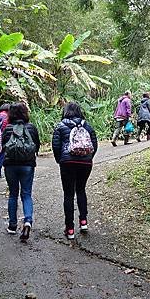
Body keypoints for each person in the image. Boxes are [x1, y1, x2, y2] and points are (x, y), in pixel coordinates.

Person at [52, 102, 98, 240]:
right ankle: (83, 222)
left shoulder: (60, 126)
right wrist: (88, 158)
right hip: (85, 163)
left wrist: (61, 160)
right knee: (81, 190)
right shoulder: (87, 126)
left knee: (68, 194)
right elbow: (94, 144)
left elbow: (56, 145)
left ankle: (70, 229)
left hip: (67, 163)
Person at [1, 102, 40, 242]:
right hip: (27, 166)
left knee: (12, 194)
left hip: (10, 165)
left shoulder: (8, 129)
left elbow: (3, 146)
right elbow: (37, 146)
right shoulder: (31, 128)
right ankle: (28, 220)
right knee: (26, 194)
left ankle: (12, 226)